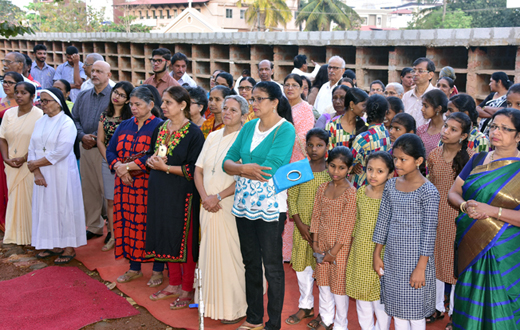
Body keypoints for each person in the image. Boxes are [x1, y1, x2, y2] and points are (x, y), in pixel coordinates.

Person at [223, 81, 295, 330]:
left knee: (273, 267)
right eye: (252, 98)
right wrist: (244, 167)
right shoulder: (249, 126)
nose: (253, 104)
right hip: (244, 204)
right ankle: (254, 318)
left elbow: (271, 169)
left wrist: (240, 168)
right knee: (250, 263)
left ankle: (272, 325)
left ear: (275, 102)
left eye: (259, 99)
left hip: (271, 209)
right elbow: (227, 161)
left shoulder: (285, 130)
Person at [447, 108, 520, 330]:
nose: (496, 132)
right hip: (471, 243)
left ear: (519, 136)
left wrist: (491, 211)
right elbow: (453, 192)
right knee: (469, 300)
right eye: (494, 126)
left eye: (505, 129)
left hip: (505, 250)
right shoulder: (478, 159)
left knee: (503, 304)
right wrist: (464, 205)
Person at [373, 133, 440, 330]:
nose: (397, 163)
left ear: (418, 160)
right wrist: (377, 253)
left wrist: (421, 268)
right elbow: (383, 220)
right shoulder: (391, 185)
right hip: (393, 258)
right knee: (397, 310)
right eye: (395, 158)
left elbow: (429, 232)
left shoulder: (428, 192)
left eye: (403, 159)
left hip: (416, 260)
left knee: (415, 312)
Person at [146, 86, 204, 309]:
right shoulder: (161, 128)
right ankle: (173, 283)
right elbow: (158, 153)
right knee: (165, 235)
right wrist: (153, 162)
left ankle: (187, 288)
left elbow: (194, 169)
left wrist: (166, 167)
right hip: (160, 189)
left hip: (183, 193)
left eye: (168, 102)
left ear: (183, 105)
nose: (163, 106)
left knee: (184, 240)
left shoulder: (194, 133)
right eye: (164, 102)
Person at [194, 95, 248, 323]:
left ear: (244, 115)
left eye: (233, 110)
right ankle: (211, 304)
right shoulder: (213, 135)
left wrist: (218, 197)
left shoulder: (246, 139)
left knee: (231, 256)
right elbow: (198, 170)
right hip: (207, 205)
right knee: (208, 253)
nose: (226, 112)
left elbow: (245, 176)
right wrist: (206, 197)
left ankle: (234, 309)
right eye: (225, 108)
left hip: (228, 205)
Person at [106, 86, 164, 286]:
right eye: (131, 104)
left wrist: (127, 168)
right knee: (128, 224)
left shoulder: (160, 127)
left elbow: (157, 155)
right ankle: (134, 267)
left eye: (138, 104)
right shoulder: (124, 125)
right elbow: (110, 150)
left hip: (147, 185)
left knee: (150, 226)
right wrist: (119, 169)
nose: (133, 108)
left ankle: (157, 270)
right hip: (124, 186)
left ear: (150, 105)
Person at [426, 112, 473, 328]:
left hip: (457, 218)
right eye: (446, 126)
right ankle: (436, 307)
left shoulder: (471, 159)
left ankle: (454, 314)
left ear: (463, 136)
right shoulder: (434, 155)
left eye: (453, 129)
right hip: (435, 217)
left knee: (455, 266)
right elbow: (430, 186)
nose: (446, 131)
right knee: (435, 262)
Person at [28, 88, 84, 264]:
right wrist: (36, 171)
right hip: (42, 174)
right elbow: (32, 148)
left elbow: (62, 151)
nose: (42, 104)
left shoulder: (66, 123)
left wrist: (35, 164)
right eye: (41, 101)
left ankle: (68, 246)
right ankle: (53, 244)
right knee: (46, 208)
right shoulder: (40, 121)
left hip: (62, 174)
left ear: (58, 103)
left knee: (64, 207)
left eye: (45, 101)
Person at [285, 128, 331, 328]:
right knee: (302, 270)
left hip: (324, 232)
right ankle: (306, 306)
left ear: (327, 147)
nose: (314, 149)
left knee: (323, 272)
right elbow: (292, 196)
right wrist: (300, 223)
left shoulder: (332, 171)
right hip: (302, 229)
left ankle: (326, 313)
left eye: (319, 145)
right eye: (310, 145)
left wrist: (319, 229)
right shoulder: (300, 168)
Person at [345, 152, 394, 330]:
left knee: (380, 301)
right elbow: (354, 222)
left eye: (380, 171)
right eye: (370, 169)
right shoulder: (360, 192)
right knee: (362, 298)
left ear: (390, 174)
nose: (373, 175)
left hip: (382, 253)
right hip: (360, 252)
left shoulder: (392, 197)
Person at [310, 146, 357, 330]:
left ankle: (340, 324)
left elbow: (348, 226)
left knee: (338, 288)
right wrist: (315, 244)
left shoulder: (350, 192)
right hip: (321, 244)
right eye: (332, 166)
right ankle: (326, 319)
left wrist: (334, 252)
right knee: (323, 284)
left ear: (349, 169)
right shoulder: (322, 188)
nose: (336, 171)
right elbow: (316, 216)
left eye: (341, 168)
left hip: (340, 248)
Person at [72, 61, 112, 240]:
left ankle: (112, 228)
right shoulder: (83, 96)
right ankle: (94, 226)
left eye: (99, 71)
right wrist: (82, 136)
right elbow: (74, 119)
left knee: (107, 190)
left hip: (105, 149)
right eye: (93, 71)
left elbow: (116, 121)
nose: (94, 74)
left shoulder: (115, 96)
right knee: (89, 188)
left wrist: (95, 137)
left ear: (108, 75)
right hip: (85, 147)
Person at [0, 82, 43, 244]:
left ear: (33, 96)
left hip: (30, 164)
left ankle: (33, 236)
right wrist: (6, 158)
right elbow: (2, 137)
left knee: (30, 199)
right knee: (14, 197)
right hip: (10, 163)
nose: (18, 95)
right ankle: (15, 235)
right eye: (17, 92)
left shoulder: (39, 115)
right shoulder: (8, 114)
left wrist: (25, 158)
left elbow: (39, 142)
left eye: (23, 93)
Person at [96, 81, 133, 252]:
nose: (116, 96)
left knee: (127, 200)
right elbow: (100, 141)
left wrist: (123, 164)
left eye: (121, 95)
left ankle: (128, 235)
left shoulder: (130, 118)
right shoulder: (105, 115)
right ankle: (112, 235)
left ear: (127, 100)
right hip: (108, 161)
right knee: (110, 200)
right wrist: (111, 161)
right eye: (115, 92)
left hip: (128, 163)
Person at [282, 73, 315, 263]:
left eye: (294, 85)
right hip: (280, 164)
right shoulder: (280, 106)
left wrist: (284, 135)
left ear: (302, 88)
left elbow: (305, 137)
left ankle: (295, 253)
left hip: (297, 165)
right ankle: (282, 251)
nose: (290, 88)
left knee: (295, 210)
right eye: (287, 84)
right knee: (282, 209)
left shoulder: (306, 109)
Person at [0, 72, 24, 231]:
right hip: (1, 145)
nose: (5, 85)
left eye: (9, 82)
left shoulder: (23, 104)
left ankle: (15, 221)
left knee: (12, 184)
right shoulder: (2, 101)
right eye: (4, 81)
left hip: (14, 148)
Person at [351, 94, 391, 188]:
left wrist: (353, 167)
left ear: (366, 110)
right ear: (386, 112)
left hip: (362, 186)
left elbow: (349, 164)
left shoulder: (362, 138)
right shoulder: (388, 133)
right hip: (381, 185)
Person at [402, 58, 437, 127]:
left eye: (420, 71)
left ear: (430, 75)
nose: (415, 74)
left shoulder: (436, 96)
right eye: (414, 71)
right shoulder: (406, 96)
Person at [417, 89, 448, 157]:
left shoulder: (446, 132)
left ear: (438, 109)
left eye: (426, 106)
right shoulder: (421, 130)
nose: (422, 109)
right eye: (422, 105)